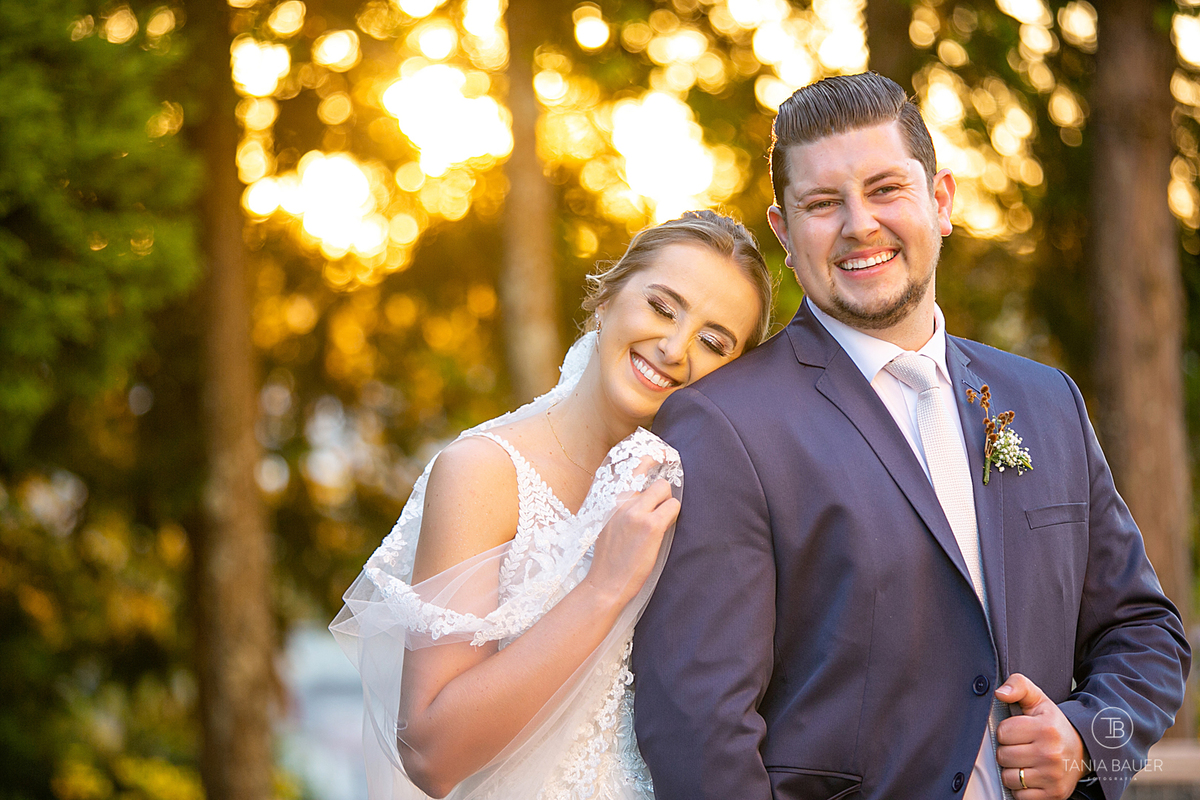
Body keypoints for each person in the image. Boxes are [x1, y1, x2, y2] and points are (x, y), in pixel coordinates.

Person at [633, 73, 1190, 800]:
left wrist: (1088, 741)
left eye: (886, 188)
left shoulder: (1046, 400)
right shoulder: (724, 424)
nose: (858, 224)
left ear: (942, 200)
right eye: (823, 204)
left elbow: (1144, 632)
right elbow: (699, 730)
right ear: (785, 233)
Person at [330, 210, 774, 800]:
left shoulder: (704, 495)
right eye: (662, 307)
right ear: (606, 296)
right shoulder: (483, 473)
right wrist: (603, 587)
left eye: (713, 342)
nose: (673, 346)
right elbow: (431, 756)